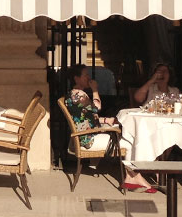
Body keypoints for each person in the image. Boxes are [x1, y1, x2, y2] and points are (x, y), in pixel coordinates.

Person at [64, 64, 153, 193]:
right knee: (129, 142)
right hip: (88, 140)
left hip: (87, 134)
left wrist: (106, 120)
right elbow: (97, 107)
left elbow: (87, 117)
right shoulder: (78, 95)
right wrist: (95, 89)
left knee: (127, 136)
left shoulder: (75, 94)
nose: (88, 77)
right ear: (76, 78)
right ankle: (133, 177)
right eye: (85, 75)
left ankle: (131, 176)